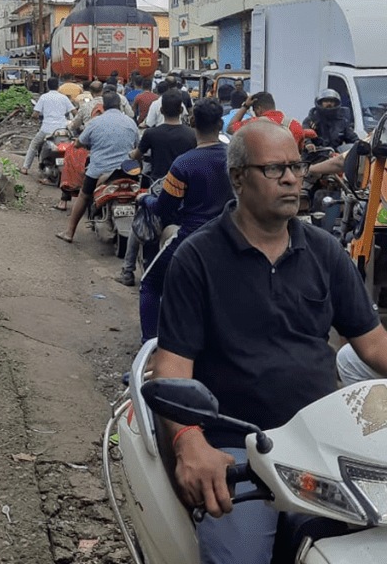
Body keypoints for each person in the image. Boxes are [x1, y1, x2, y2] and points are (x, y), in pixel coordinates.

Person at [152, 118, 387, 564]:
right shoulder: (197, 258)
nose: (292, 179)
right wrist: (189, 441)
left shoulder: (324, 252)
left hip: (324, 440)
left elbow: (374, 346)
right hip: (237, 448)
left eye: (296, 168)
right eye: (275, 169)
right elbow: (173, 366)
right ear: (239, 177)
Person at [138, 99, 234, 343]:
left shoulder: (184, 164)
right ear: (221, 124)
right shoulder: (235, 161)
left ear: (192, 123)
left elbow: (163, 208)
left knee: (149, 285)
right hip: (232, 237)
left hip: (191, 238)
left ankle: (150, 353)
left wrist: (146, 200)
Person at [117, 91, 198, 286]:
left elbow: (137, 154)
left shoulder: (152, 133)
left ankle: (127, 271)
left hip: (158, 189)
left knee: (139, 226)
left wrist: (131, 155)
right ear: (181, 110)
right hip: (185, 192)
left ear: (161, 110)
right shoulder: (192, 135)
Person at [56, 92, 139, 243]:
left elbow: (78, 143)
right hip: (126, 170)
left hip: (99, 170)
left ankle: (69, 232)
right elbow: (136, 145)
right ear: (120, 106)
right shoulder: (130, 122)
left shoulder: (95, 122)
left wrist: (82, 143)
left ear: (104, 106)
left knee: (84, 195)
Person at [20, 77, 76, 176]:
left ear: (47, 86)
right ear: (58, 86)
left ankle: (25, 167)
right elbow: (74, 112)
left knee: (34, 144)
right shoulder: (64, 98)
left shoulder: (44, 97)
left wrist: (34, 117)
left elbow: (35, 114)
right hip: (62, 130)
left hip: (46, 129)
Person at [228, 91, 312, 151]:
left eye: (254, 111)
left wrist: (245, 106)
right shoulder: (294, 124)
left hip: (263, 172)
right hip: (289, 172)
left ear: (258, 109)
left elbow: (230, 128)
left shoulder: (252, 124)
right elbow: (300, 150)